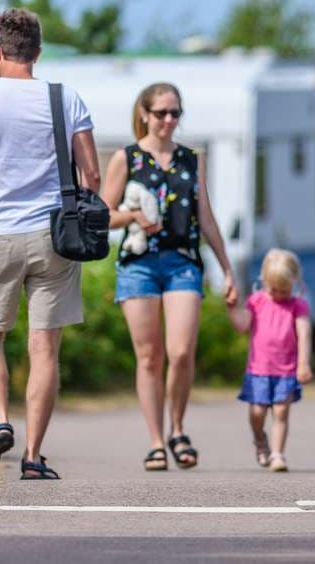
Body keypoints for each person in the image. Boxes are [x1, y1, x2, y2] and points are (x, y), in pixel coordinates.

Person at [0, 8, 99, 481]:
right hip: (55, 235)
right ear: (38, 52)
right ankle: (34, 456)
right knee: (44, 348)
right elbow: (90, 174)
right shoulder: (64, 98)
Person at [100, 82, 238, 471]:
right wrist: (132, 216)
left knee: (180, 353)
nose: (168, 120)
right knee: (149, 357)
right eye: (161, 112)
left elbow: (206, 217)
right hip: (139, 263)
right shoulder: (127, 159)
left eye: (175, 112)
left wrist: (227, 269)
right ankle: (156, 440)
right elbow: (104, 215)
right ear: (144, 113)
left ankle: (178, 426)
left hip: (182, 261)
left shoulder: (191, 158)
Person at [228, 248, 313, 473]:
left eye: (284, 290)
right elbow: (242, 326)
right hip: (259, 370)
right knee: (257, 413)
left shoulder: (298, 306)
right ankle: (259, 439)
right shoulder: (256, 301)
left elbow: (304, 334)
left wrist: (303, 364)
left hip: (286, 370)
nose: (277, 294)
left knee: (281, 412)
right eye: (272, 289)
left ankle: (277, 454)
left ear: (294, 283)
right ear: (264, 281)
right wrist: (231, 308)